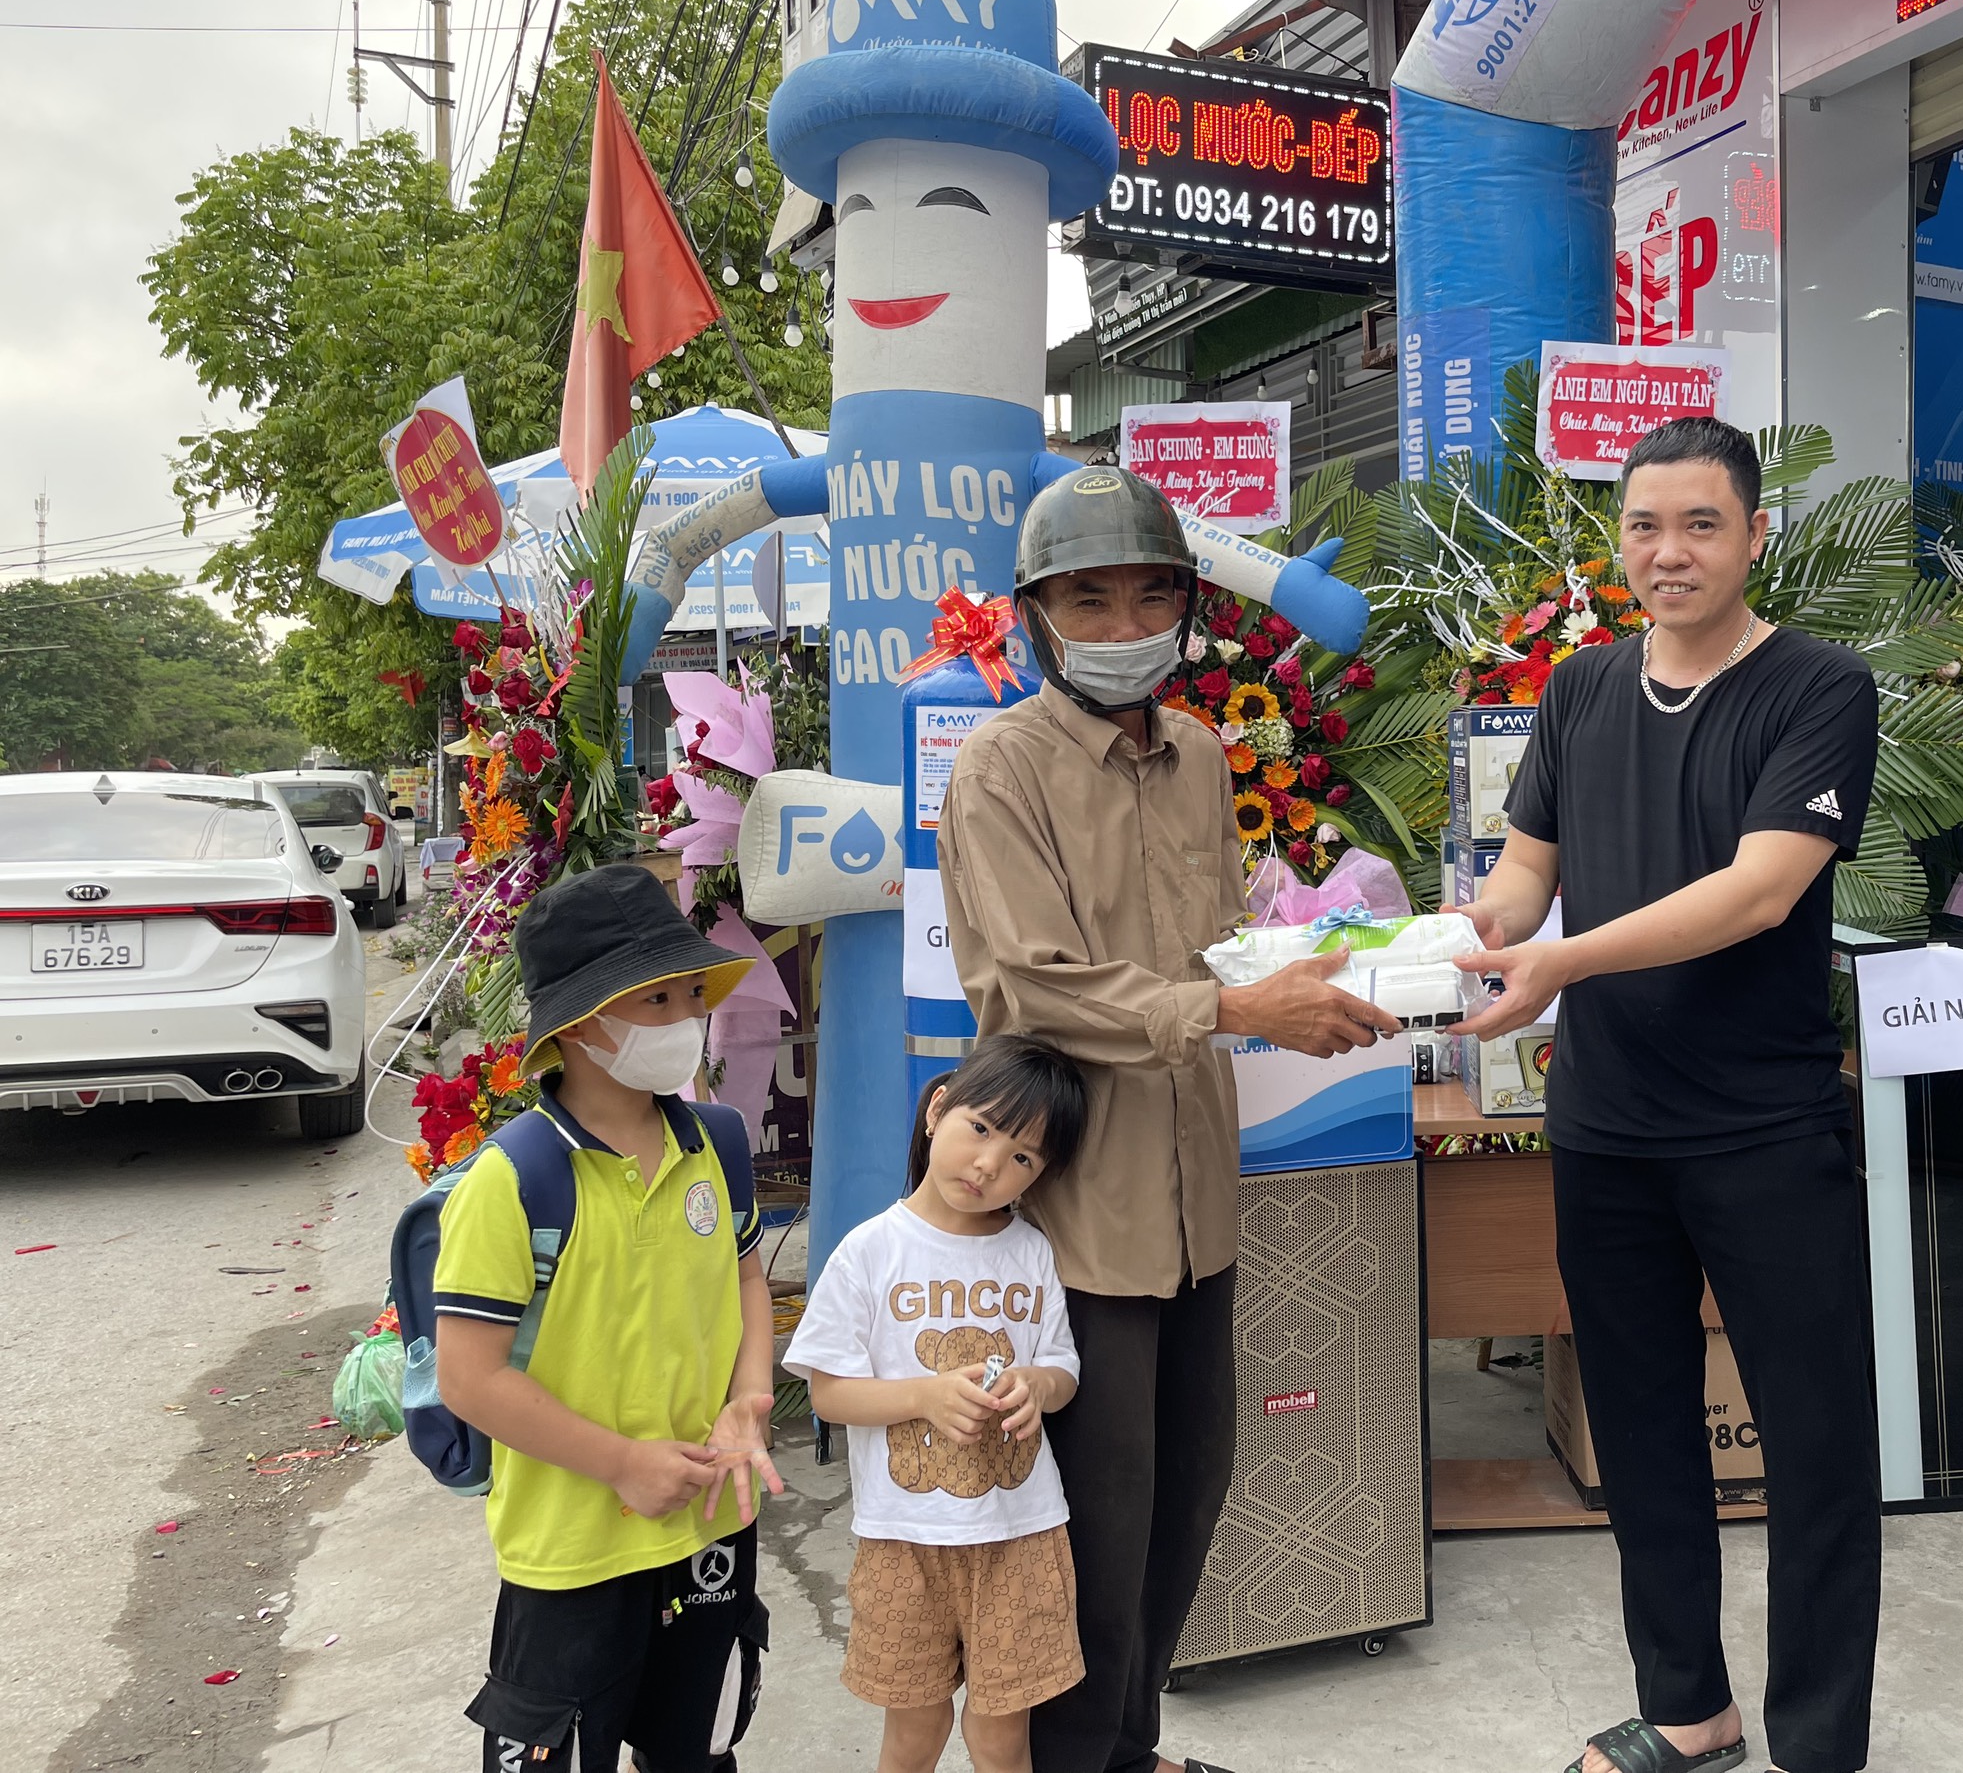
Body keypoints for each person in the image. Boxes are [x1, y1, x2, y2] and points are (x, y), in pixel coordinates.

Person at [936, 465, 1401, 1773]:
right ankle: (1079, 1759)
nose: (1125, 624)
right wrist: (1239, 1006)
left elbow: (1216, 944)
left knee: (1187, 1494)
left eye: (1152, 596)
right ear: (1035, 616)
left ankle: (1129, 1748)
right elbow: (1028, 984)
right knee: (1089, 1526)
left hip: (1199, 1198)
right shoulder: (1001, 766)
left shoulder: (1197, 750)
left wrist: (1323, 965)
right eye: (1089, 600)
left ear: (1189, 609)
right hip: (1078, 1205)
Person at [1453, 417, 1882, 1773]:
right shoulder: (1580, 687)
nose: (1670, 551)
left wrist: (1562, 959)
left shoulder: (1819, 687)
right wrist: (1469, 934)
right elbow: (1529, 868)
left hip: (1764, 1126)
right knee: (1642, 1431)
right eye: (1645, 525)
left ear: (1755, 535)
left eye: (1702, 523)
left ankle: (1819, 1741)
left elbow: (1759, 891)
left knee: (1815, 1440)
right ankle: (1689, 1707)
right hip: (1607, 1124)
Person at [434, 863, 786, 1773]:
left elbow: (745, 1278)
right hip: (573, 1550)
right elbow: (468, 1377)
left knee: (694, 1748)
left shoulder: (717, 1141)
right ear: (579, 1026)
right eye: (656, 1000)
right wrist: (623, 1464)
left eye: (690, 994)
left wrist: (748, 1400)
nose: (687, 1018)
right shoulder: (513, 1181)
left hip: (711, 1522)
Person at [785, 1035, 1094, 1773]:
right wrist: (923, 1396)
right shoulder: (869, 1252)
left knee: (1001, 1738)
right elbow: (828, 1392)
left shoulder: (1032, 1252)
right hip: (903, 1538)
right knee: (915, 1729)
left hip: (1021, 1533)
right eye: (980, 1128)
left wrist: (1038, 1386)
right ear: (937, 1110)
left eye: (1022, 1158)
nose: (989, 1164)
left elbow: (1063, 1367)